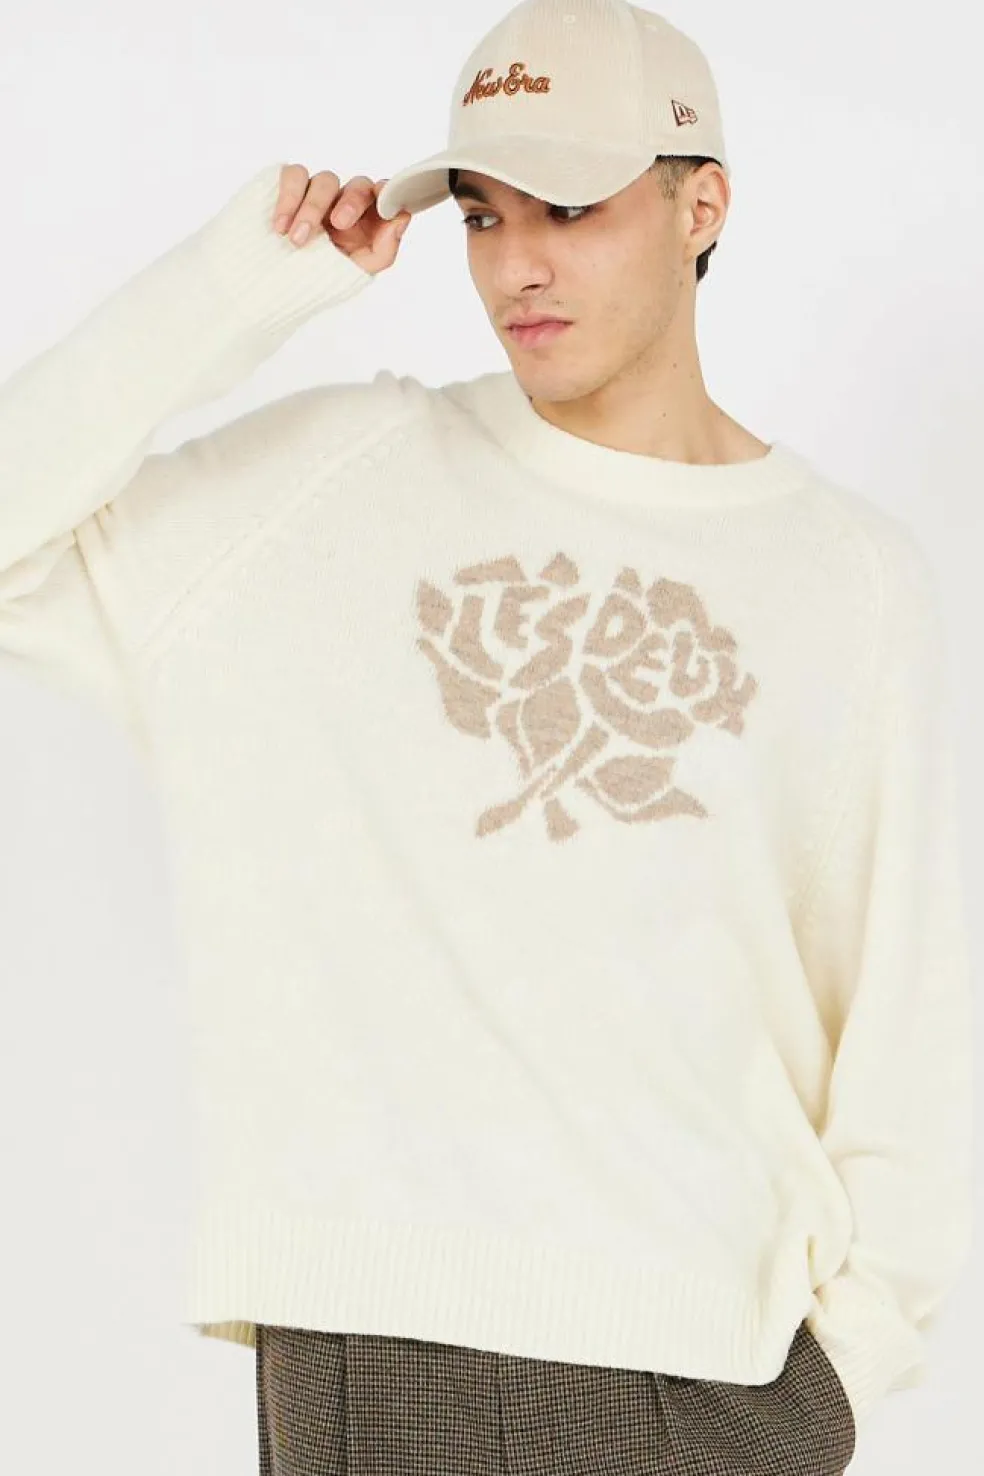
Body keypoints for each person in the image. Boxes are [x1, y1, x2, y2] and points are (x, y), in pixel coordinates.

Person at [0, 2, 971, 1472]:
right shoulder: (332, 482)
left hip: (698, 1378)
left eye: (569, 208)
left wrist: (840, 1376)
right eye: (480, 213)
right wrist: (231, 290)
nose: (517, 264)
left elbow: (911, 1026)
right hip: (366, 1342)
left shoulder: (851, 581)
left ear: (701, 204)